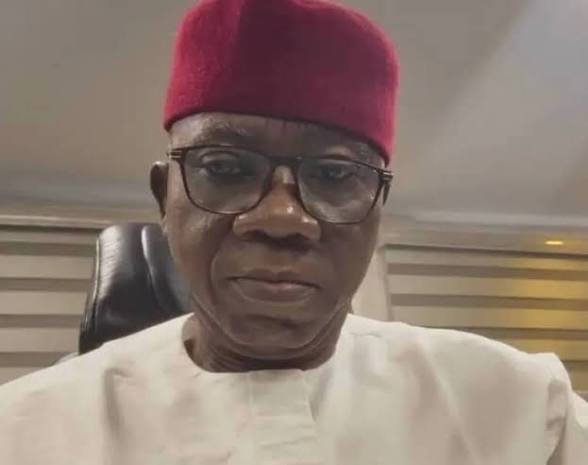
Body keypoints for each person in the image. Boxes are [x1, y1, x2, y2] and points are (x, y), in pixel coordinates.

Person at [1, 0, 586, 463]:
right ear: (164, 198)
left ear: (377, 210)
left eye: (335, 175)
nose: (282, 219)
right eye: (225, 168)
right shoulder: (27, 430)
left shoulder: (527, 409)